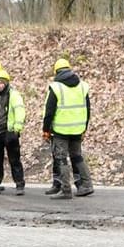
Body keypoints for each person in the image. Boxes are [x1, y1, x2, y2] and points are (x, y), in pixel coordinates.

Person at [41, 57, 93, 199]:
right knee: (77, 156)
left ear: (56, 72)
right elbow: (88, 109)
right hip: (78, 128)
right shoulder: (82, 86)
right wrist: (84, 128)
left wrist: (46, 129)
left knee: (61, 158)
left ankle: (65, 190)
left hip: (61, 130)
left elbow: (49, 111)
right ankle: (87, 185)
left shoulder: (56, 87)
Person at [0, 64, 25, 194]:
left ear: (7, 83)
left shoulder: (13, 95)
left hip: (8, 131)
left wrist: (16, 129)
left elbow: (20, 110)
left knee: (14, 159)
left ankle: (19, 184)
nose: (0, 84)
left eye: (2, 82)